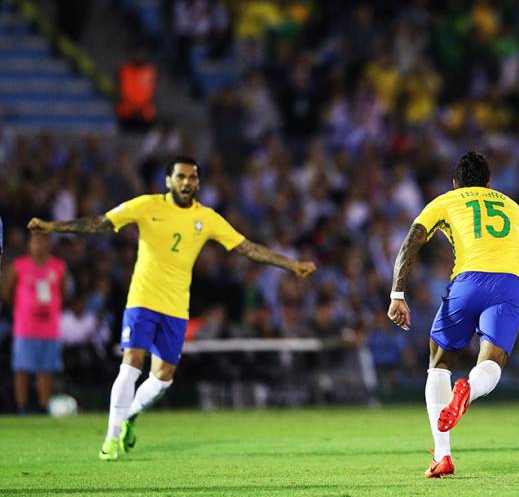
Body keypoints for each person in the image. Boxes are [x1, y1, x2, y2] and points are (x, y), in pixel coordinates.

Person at [28, 156, 316, 460]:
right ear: (168, 181)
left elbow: (248, 248)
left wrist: (291, 264)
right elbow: (100, 223)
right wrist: (52, 227)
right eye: (180, 177)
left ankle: (129, 417)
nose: (186, 182)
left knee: (163, 378)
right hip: (141, 299)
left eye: (192, 177)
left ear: (198, 182)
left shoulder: (207, 218)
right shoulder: (147, 205)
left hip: (176, 307)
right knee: (131, 363)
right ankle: (110, 440)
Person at [387, 151, 519, 479]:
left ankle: (443, 455)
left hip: (468, 281)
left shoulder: (446, 201)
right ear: (490, 183)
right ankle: (469, 391)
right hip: (509, 284)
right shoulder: (510, 205)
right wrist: (515, 282)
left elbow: (411, 243)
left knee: (439, 363)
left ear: (455, 183)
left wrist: (397, 294)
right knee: (492, 361)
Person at [1, 233, 67, 414]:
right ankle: (21, 407)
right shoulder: (19, 266)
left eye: (42, 242)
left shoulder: (58, 266)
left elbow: (63, 292)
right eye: (35, 242)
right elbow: (7, 293)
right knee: (22, 369)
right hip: (25, 327)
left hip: (50, 328)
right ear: (29, 245)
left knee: (46, 370)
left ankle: (43, 406)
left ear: (48, 244)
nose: (38, 246)